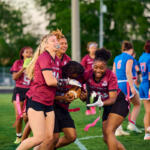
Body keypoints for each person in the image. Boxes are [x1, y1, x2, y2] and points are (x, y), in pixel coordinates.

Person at [16, 32, 69, 150]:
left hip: (48, 103)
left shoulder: (56, 60)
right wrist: (68, 81)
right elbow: (50, 81)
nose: (57, 42)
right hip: (37, 101)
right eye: (53, 41)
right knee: (39, 138)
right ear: (46, 46)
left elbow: (57, 82)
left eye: (57, 40)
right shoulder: (44, 57)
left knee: (49, 138)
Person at [85, 48, 129, 150]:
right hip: (107, 105)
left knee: (109, 132)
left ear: (106, 67)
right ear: (92, 66)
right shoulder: (88, 74)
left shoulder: (111, 76)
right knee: (106, 138)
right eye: (96, 67)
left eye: (102, 67)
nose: (98, 70)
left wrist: (101, 103)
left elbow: (113, 98)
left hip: (119, 102)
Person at [113, 41, 141, 134]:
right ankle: (130, 125)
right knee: (136, 104)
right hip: (126, 84)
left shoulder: (117, 57)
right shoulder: (129, 57)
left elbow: (113, 72)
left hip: (118, 83)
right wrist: (132, 87)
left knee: (122, 106)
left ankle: (120, 128)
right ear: (131, 49)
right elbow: (128, 72)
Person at [10, 46, 33, 144]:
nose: (29, 54)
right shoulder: (17, 63)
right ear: (22, 54)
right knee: (19, 115)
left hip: (30, 91)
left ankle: (27, 136)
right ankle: (19, 136)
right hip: (19, 91)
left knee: (27, 116)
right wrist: (23, 68)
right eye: (27, 52)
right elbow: (15, 77)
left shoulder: (34, 64)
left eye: (31, 52)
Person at [81, 42, 98, 115]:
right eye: (92, 48)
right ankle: (88, 109)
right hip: (88, 79)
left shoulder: (98, 58)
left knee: (97, 94)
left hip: (97, 79)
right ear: (88, 49)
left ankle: (93, 107)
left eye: (94, 48)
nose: (93, 49)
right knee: (88, 94)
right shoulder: (86, 58)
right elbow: (82, 68)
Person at [139, 40, 150, 140]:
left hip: (143, 84)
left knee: (147, 111)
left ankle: (147, 134)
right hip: (148, 85)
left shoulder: (142, 56)